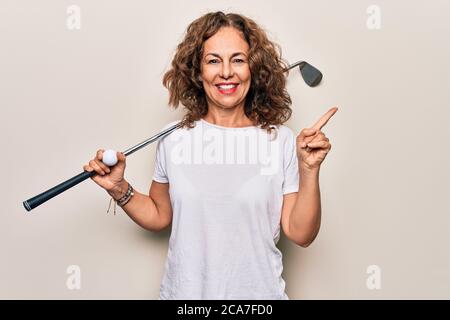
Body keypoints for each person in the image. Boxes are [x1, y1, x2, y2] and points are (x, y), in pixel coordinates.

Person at [83, 11, 337, 300]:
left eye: (238, 59)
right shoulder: (173, 137)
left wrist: (309, 169)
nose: (226, 72)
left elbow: (301, 234)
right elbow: (159, 215)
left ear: (253, 69)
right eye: (213, 60)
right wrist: (118, 188)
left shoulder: (280, 140)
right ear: (197, 70)